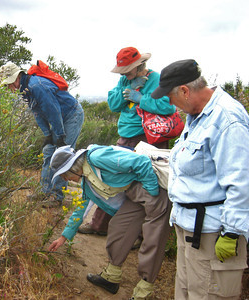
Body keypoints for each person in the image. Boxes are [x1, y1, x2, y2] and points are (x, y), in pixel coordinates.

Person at [151, 59, 249, 299]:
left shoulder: (227, 119)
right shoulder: (197, 116)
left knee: (207, 293)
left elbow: (241, 180)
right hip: (190, 227)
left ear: (184, 90)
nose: (172, 105)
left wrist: (232, 233)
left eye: (171, 98)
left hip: (213, 232)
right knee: (187, 292)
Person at [48, 144, 172, 299]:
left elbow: (141, 162)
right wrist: (63, 237)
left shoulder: (96, 158)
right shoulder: (87, 182)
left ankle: (143, 291)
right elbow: (80, 210)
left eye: (64, 175)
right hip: (134, 193)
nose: (65, 179)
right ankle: (111, 278)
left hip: (154, 187)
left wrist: (152, 193)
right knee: (119, 226)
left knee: (153, 238)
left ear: (72, 166)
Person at [79, 47, 176, 237]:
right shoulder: (125, 80)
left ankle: (141, 235)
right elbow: (114, 104)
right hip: (126, 137)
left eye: (128, 71)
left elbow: (167, 107)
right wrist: (129, 88)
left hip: (150, 139)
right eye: (123, 72)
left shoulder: (156, 80)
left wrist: (142, 99)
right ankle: (99, 225)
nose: (125, 75)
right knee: (111, 177)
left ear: (140, 66)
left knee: (148, 185)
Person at [0, 62, 84, 207]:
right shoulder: (25, 89)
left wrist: (59, 135)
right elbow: (37, 112)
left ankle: (56, 196)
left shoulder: (36, 86)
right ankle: (45, 191)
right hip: (59, 118)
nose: (8, 87)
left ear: (17, 77)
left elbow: (53, 111)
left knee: (63, 155)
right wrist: (47, 134)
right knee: (48, 151)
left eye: (9, 83)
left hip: (71, 115)